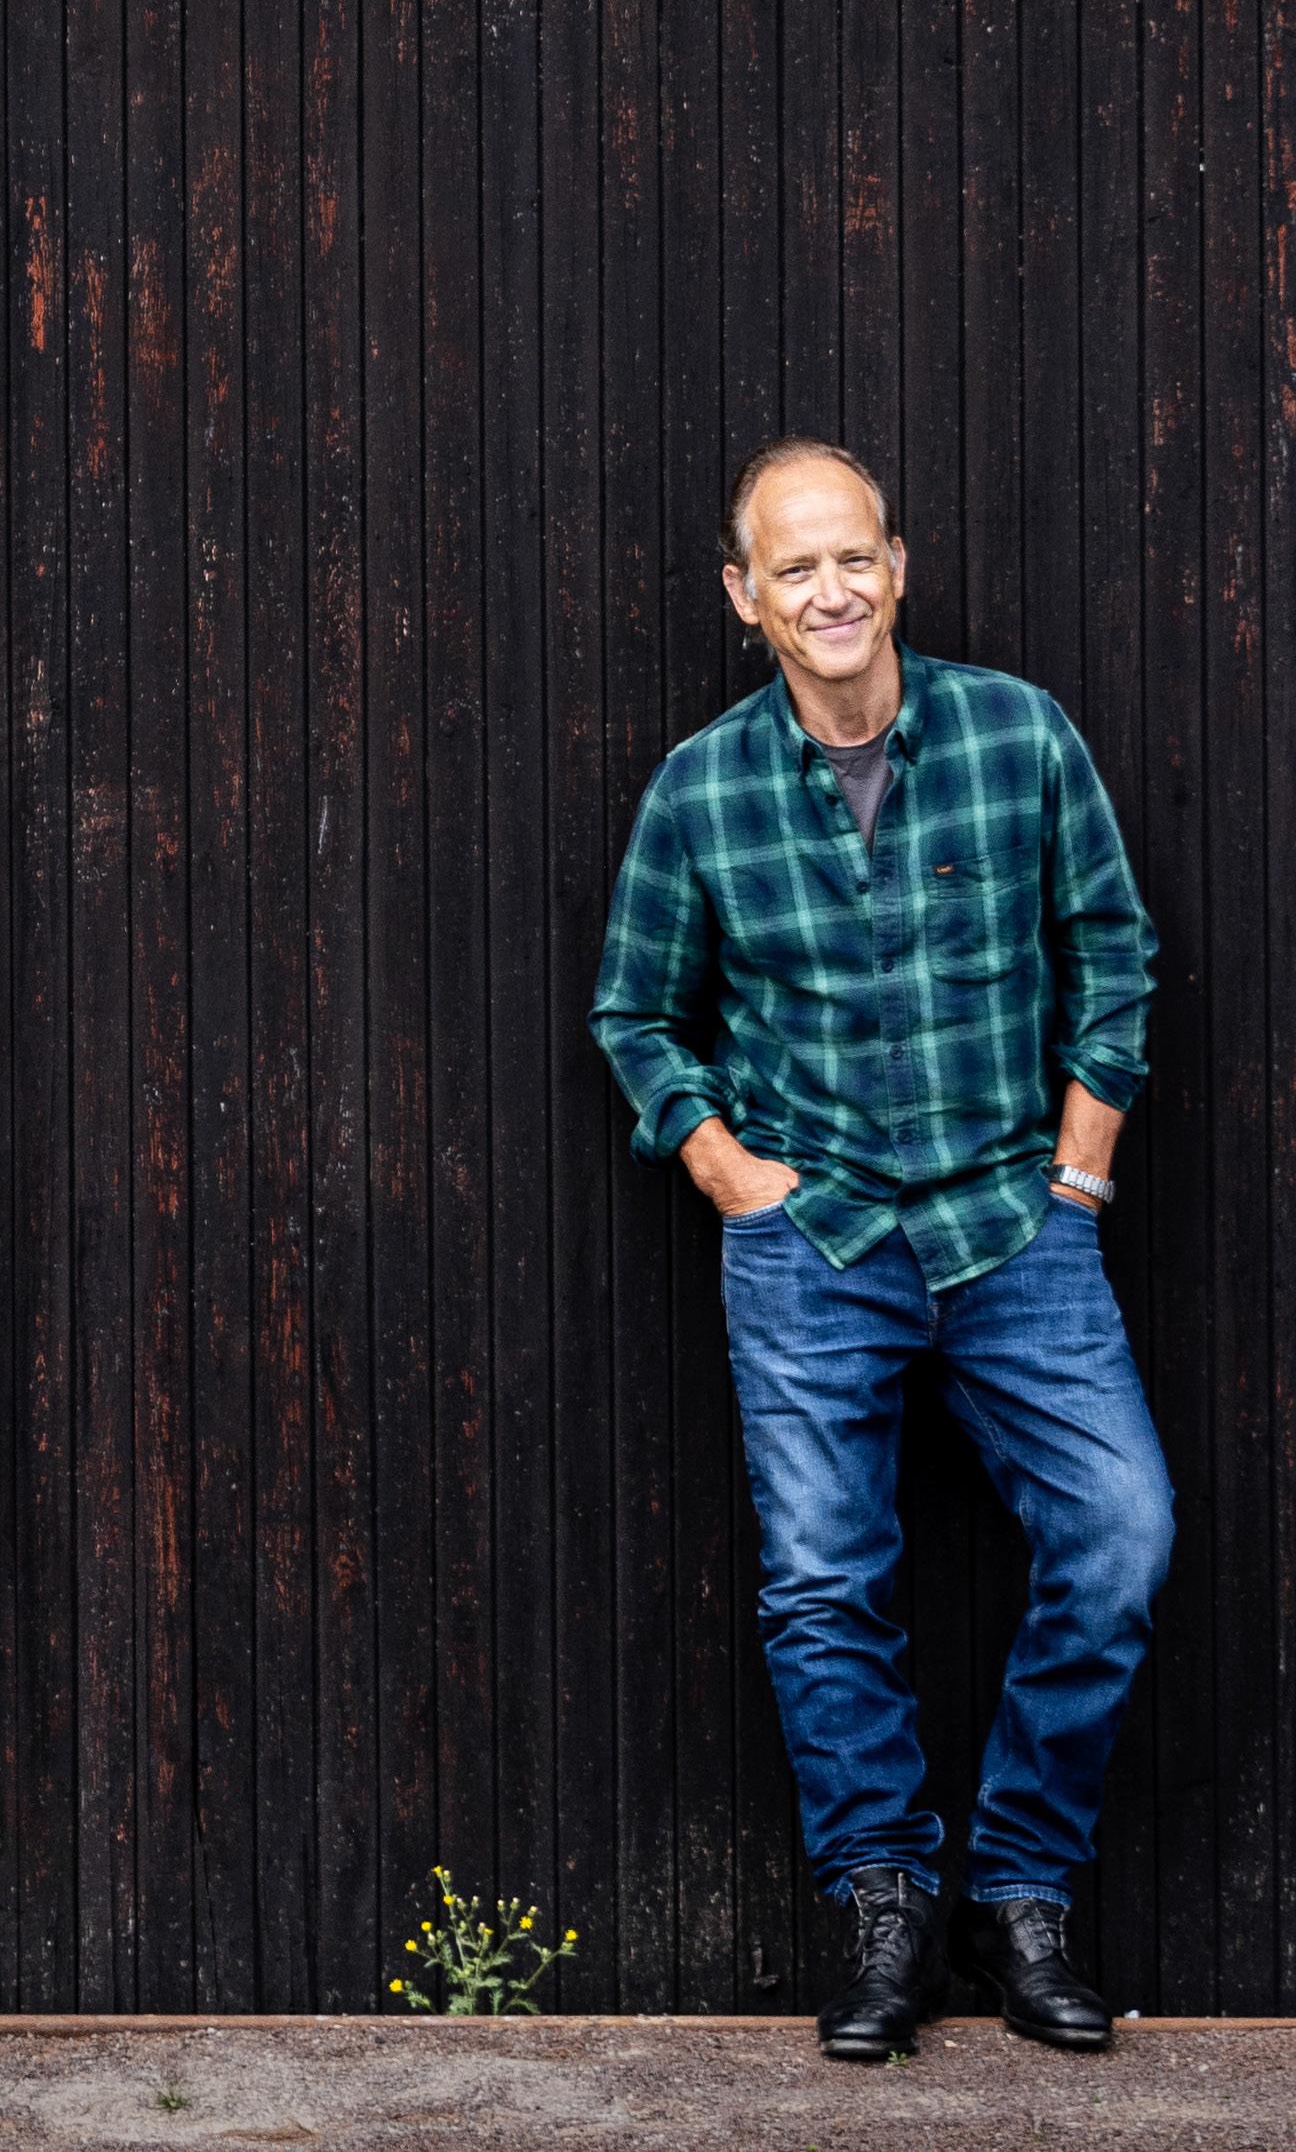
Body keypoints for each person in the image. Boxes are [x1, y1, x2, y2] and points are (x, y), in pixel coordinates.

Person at [589, 437, 1171, 2062]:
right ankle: (886, 1901)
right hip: (816, 1241)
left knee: (1120, 1534)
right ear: (745, 595)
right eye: (795, 567)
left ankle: (1021, 1890)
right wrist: (727, 1169)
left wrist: (1081, 1171)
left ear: (898, 567)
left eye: (855, 556)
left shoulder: (1018, 735)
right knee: (824, 1583)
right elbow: (636, 1010)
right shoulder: (701, 788)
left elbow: (1112, 953)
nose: (831, 589)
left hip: (1011, 1228)